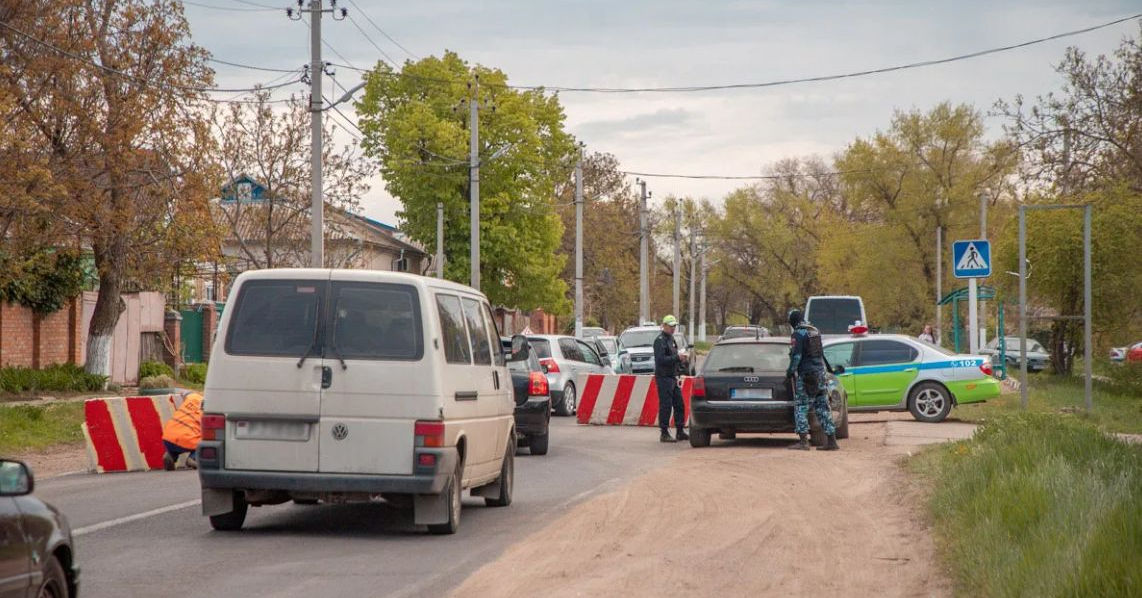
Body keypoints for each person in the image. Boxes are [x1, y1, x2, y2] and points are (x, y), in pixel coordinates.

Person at [785, 309, 839, 451]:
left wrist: (790, 371)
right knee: (822, 407)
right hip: (821, 374)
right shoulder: (815, 331)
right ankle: (832, 441)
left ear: (793, 321)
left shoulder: (798, 333)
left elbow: (796, 357)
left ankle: (803, 442)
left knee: (801, 407)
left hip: (807, 376)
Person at [653, 315, 689, 443]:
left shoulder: (671, 339)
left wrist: (681, 362)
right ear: (664, 326)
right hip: (663, 378)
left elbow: (673, 356)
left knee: (679, 404)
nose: (673, 328)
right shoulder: (660, 340)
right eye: (670, 326)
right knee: (666, 405)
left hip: (672, 376)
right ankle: (664, 432)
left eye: (674, 326)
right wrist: (677, 358)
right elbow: (661, 360)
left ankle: (680, 430)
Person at [162, 391, 203, 470]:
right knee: (205, 442)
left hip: (167, 437)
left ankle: (170, 455)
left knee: (175, 445)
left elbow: (183, 393)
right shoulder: (211, 408)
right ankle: (193, 458)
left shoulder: (193, 397)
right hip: (186, 440)